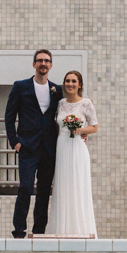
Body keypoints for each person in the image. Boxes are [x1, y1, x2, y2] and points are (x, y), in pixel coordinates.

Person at [5, 49, 61, 238]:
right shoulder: (20, 87)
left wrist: (80, 133)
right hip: (27, 146)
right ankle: (19, 229)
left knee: (44, 190)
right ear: (34, 64)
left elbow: (68, 112)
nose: (43, 64)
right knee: (26, 187)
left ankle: (39, 231)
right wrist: (15, 142)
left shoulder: (57, 90)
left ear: (51, 65)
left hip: (49, 148)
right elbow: (9, 117)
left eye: (46, 61)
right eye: (39, 60)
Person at [47, 70, 98, 238]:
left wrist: (80, 130)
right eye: (67, 81)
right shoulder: (60, 103)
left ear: (80, 84)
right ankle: (61, 229)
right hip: (62, 147)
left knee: (78, 185)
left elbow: (94, 126)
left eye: (74, 81)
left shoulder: (86, 103)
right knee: (62, 185)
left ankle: (80, 230)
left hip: (77, 148)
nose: (70, 84)